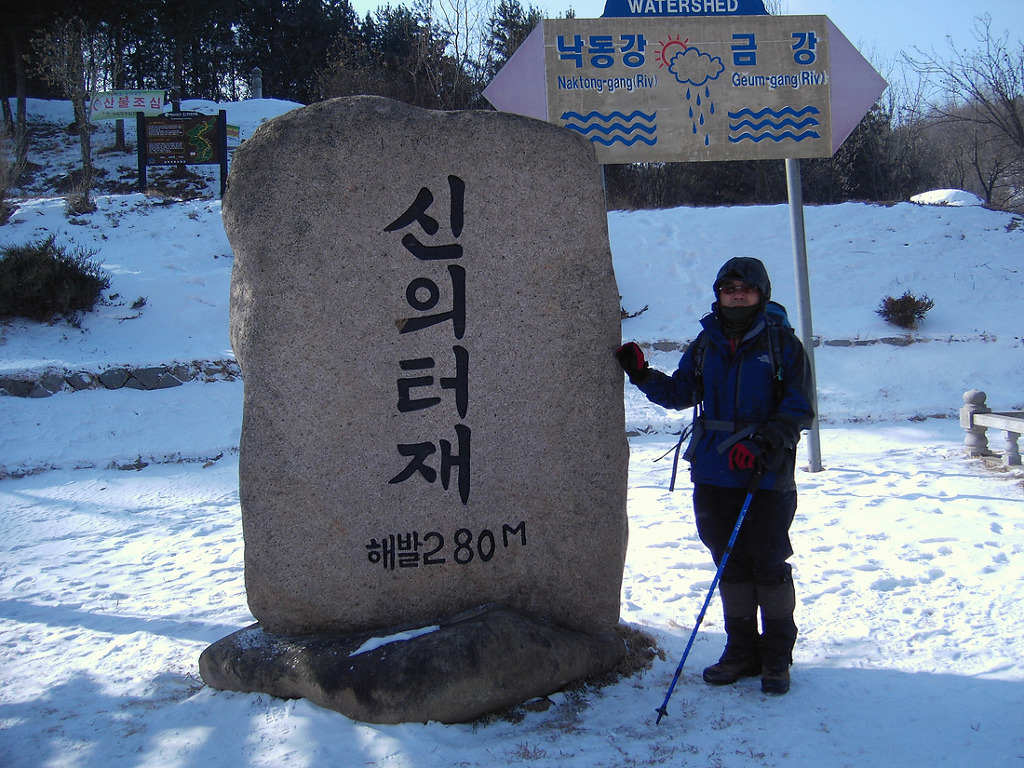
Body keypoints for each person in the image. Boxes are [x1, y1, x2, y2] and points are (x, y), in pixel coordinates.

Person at [616, 257, 814, 695]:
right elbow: (681, 393)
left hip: (765, 473)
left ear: (761, 293)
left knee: (769, 562)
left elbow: (799, 408)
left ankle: (776, 656)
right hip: (713, 472)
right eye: (729, 289)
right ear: (719, 294)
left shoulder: (782, 344)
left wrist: (763, 442)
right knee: (729, 561)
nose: (737, 295)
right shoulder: (706, 343)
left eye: (746, 288)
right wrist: (642, 374)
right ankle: (741, 651)